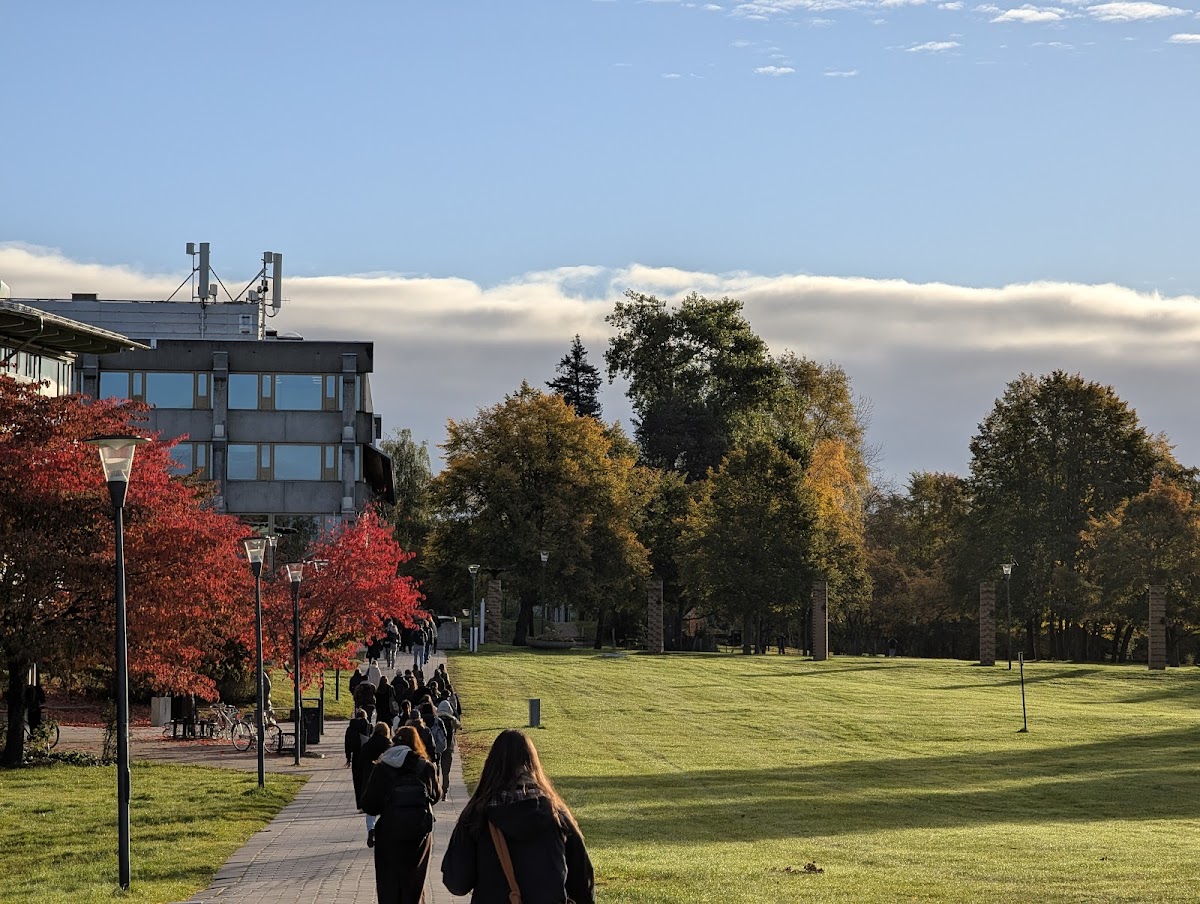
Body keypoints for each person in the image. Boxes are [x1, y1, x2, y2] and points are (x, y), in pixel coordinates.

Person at [441, 729, 594, 904]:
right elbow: (583, 884)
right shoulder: (557, 815)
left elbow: (457, 883)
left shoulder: (476, 816)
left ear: (491, 766)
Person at [360, 725, 442, 903]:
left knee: (389, 882)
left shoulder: (382, 768)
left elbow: (369, 805)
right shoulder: (425, 767)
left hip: (389, 832)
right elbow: (436, 796)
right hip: (419, 832)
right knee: (414, 880)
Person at [354, 721, 393, 848]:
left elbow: (360, 762)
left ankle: (371, 829)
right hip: (384, 780)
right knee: (385, 808)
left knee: (371, 808)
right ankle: (383, 833)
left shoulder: (367, 744)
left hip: (369, 779)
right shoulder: (388, 744)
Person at [435, 699, 461, 793]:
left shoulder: (436, 719)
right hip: (449, 747)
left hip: (438, 747)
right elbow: (459, 725)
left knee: (437, 769)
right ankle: (445, 790)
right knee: (446, 772)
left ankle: (437, 788)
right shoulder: (452, 720)